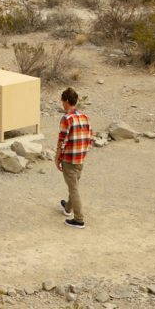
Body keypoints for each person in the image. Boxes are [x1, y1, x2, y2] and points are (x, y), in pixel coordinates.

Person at [55, 87, 93, 228]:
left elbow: (61, 140)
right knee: (74, 185)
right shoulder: (85, 117)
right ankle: (68, 208)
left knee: (74, 189)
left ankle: (79, 219)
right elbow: (90, 138)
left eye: (62, 101)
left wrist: (57, 157)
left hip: (69, 159)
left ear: (66, 101)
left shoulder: (67, 119)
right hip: (81, 158)